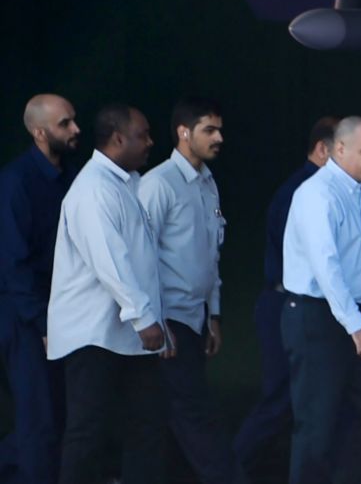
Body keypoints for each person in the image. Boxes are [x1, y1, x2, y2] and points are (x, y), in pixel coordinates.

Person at [47, 104, 171, 484]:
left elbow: (143, 261)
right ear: (118, 139)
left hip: (129, 334)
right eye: (143, 135)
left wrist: (156, 319)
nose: (150, 142)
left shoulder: (127, 183)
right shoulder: (93, 189)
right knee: (89, 431)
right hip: (93, 334)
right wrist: (145, 317)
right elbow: (110, 261)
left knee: (145, 427)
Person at [281, 116, 361, 484]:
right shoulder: (317, 194)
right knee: (316, 425)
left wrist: (356, 320)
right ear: (338, 149)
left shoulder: (355, 192)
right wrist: (356, 325)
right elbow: (326, 266)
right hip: (318, 315)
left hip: (349, 313)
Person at [135, 98, 244, 484]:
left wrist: (212, 314)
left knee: (167, 414)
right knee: (194, 412)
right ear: (184, 132)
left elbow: (209, 256)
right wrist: (154, 321)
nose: (219, 138)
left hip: (194, 318)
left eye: (219, 129)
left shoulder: (207, 183)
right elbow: (141, 257)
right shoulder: (157, 184)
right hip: (169, 319)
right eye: (209, 130)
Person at [232, 116, 335, 475]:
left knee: (309, 397)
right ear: (323, 149)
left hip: (301, 306)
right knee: (282, 397)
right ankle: (231, 470)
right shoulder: (304, 192)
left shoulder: (324, 189)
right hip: (286, 303)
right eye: (346, 149)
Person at [0, 94, 81, 484]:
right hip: (27, 316)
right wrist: (42, 323)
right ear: (39, 132)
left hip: (62, 311)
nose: (75, 129)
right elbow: (13, 263)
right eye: (65, 123)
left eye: (73, 121)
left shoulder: (71, 177)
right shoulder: (16, 182)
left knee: (58, 412)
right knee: (39, 417)